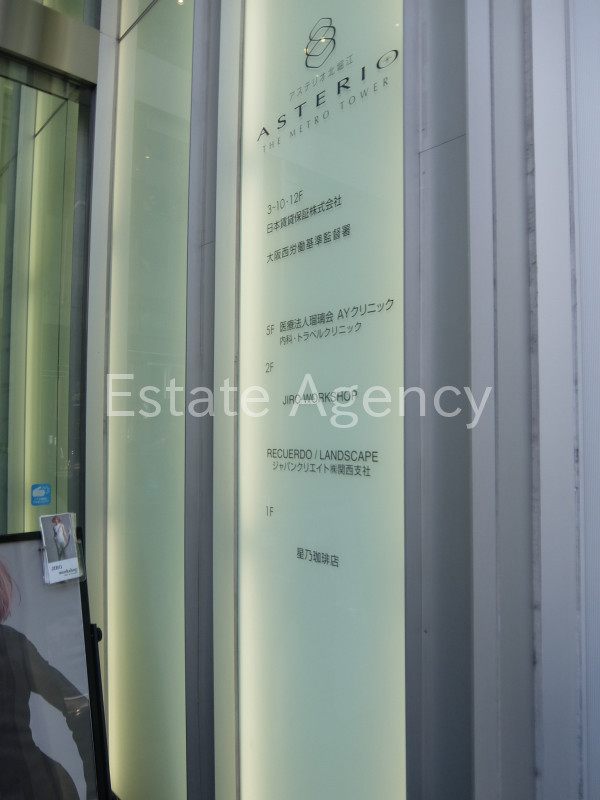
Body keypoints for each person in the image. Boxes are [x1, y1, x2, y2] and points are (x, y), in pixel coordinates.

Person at [0, 558, 95, 799]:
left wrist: (96, 789)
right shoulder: (13, 644)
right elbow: (79, 706)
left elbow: (78, 707)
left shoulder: (13, 645)